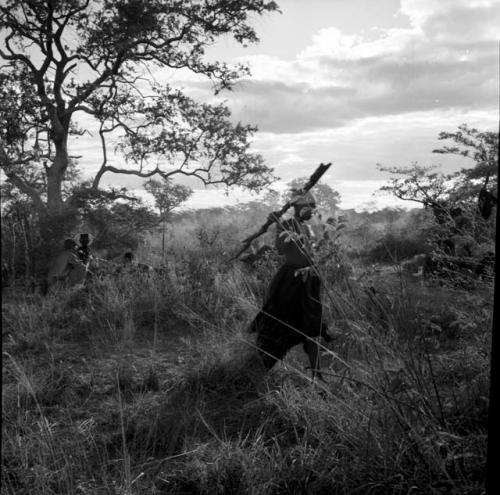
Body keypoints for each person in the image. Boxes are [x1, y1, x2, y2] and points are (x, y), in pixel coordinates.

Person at [249, 190, 329, 380]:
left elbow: (310, 251)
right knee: (281, 325)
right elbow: (280, 248)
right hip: (291, 283)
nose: (313, 210)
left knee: (312, 327)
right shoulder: (288, 224)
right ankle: (257, 370)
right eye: (310, 207)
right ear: (300, 208)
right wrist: (281, 228)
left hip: (308, 281)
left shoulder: (306, 227)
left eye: (314, 207)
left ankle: (318, 376)